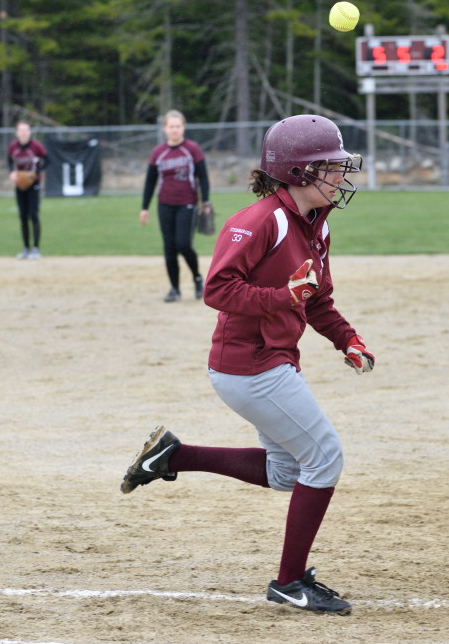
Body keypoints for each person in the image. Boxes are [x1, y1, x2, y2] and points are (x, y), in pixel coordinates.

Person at [120, 115, 374, 614]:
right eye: (333, 167)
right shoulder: (261, 220)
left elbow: (315, 299)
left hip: (269, 362)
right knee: (325, 458)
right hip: (248, 367)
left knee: (286, 472)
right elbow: (217, 289)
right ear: (301, 173)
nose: (343, 175)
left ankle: (173, 457)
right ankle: (289, 581)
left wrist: (347, 339)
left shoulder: (315, 224)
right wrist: (284, 296)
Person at [139, 110, 213, 302]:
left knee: (183, 244)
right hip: (165, 204)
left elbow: (203, 177)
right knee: (169, 248)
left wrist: (206, 201)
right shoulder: (158, 153)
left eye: (178, 126)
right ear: (165, 128)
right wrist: (144, 207)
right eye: (171, 126)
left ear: (183, 127)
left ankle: (197, 277)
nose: (174, 130)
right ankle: (174, 288)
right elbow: (150, 182)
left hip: (187, 203)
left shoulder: (192, 149)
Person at [6, 120, 47, 260]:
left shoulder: (36, 146)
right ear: (16, 133)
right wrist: (12, 172)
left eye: (26, 130)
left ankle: (36, 248)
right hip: (19, 184)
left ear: (30, 132)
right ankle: (25, 248)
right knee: (23, 216)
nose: (23, 133)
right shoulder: (13, 147)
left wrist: (35, 172)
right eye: (21, 130)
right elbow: (9, 161)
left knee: (33, 215)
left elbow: (47, 160)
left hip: (33, 185)